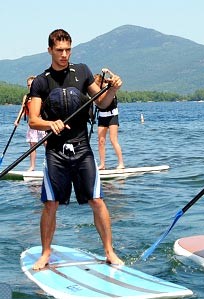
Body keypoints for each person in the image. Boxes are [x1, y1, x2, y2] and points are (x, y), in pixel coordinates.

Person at [29, 29, 124, 270]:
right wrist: (50, 123)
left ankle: (110, 252)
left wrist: (112, 89)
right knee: (50, 204)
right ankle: (45, 253)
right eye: (59, 50)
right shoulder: (41, 81)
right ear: (49, 49)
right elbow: (33, 120)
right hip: (55, 152)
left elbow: (102, 103)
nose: (64, 54)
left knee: (97, 200)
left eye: (67, 49)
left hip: (82, 149)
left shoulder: (81, 71)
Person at [94, 71, 125, 170]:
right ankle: (102, 164)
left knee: (113, 140)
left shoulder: (110, 85)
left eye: (96, 84)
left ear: (99, 82)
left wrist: (108, 72)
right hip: (102, 116)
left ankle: (121, 163)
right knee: (101, 141)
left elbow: (116, 78)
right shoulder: (96, 91)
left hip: (112, 116)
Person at [15, 76, 46, 171]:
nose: (30, 86)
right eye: (28, 85)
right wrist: (17, 120)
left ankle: (51, 165)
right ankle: (32, 167)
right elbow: (23, 109)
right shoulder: (27, 97)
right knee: (32, 145)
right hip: (32, 123)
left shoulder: (42, 95)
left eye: (32, 84)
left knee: (46, 143)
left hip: (41, 122)